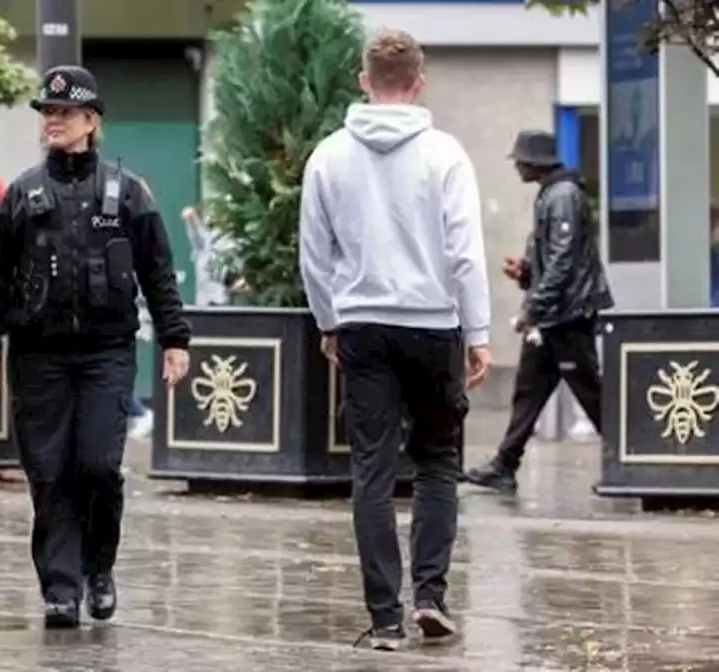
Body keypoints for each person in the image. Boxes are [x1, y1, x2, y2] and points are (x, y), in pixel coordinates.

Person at [0, 65, 192, 628]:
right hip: (38, 353)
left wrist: (174, 339)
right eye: (47, 113)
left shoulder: (128, 192)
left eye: (64, 113)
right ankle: (61, 589)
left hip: (106, 353)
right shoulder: (23, 193)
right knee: (48, 472)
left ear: (92, 122)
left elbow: (158, 271)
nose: (53, 122)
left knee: (97, 467)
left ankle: (99, 568)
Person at [298, 29, 491, 651]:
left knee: (371, 471)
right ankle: (430, 596)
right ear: (420, 80)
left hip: (363, 328)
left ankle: (384, 617)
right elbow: (465, 252)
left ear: (363, 80)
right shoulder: (446, 155)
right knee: (437, 462)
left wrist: (329, 320)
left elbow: (313, 255)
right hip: (433, 324)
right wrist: (479, 331)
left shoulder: (328, 155)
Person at [463, 130, 612, 493]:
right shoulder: (553, 194)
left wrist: (533, 306)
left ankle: (629, 458)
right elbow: (555, 259)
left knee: (590, 390)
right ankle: (505, 464)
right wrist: (528, 272)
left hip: (568, 315)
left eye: (520, 161)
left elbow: (563, 261)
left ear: (535, 163)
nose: (516, 167)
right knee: (529, 390)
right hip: (555, 315)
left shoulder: (561, 196)